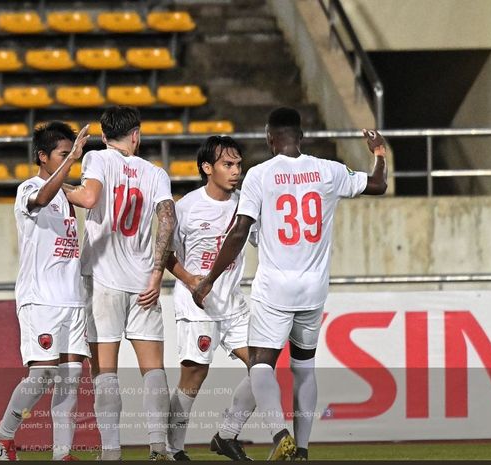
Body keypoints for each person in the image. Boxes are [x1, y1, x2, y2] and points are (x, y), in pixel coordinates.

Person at [192, 107, 388, 461]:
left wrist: (208, 279)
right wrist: (379, 155)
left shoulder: (259, 175)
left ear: (269, 137)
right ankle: (299, 448)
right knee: (304, 368)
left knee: (262, 365)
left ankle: (278, 432)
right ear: (302, 137)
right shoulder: (327, 171)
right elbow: (378, 185)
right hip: (314, 289)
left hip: (275, 287)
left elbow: (239, 232)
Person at [64, 106, 177, 461]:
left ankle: (111, 451)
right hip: (144, 280)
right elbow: (168, 220)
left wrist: (52, 187)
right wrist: (158, 272)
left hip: (103, 281)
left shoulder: (97, 159)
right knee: (154, 368)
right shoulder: (155, 172)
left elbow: (89, 198)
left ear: (103, 134)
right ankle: (159, 446)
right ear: (136, 135)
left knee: (105, 370)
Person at [0, 122, 91, 461]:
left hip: (74, 300)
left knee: (71, 377)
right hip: (41, 299)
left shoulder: (68, 195)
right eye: (63, 155)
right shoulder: (29, 189)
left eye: (71, 154)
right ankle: (4, 435)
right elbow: (44, 196)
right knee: (43, 373)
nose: (70, 160)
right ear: (42, 157)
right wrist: (73, 160)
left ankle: (62, 453)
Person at [165, 136, 256, 461]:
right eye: (227, 165)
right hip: (197, 305)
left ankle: (227, 434)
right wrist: (192, 281)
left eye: (238, 165)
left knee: (263, 368)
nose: (235, 171)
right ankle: (171, 447)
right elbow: (166, 254)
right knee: (194, 375)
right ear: (207, 167)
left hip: (233, 304)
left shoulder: (247, 204)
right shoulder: (187, 206)